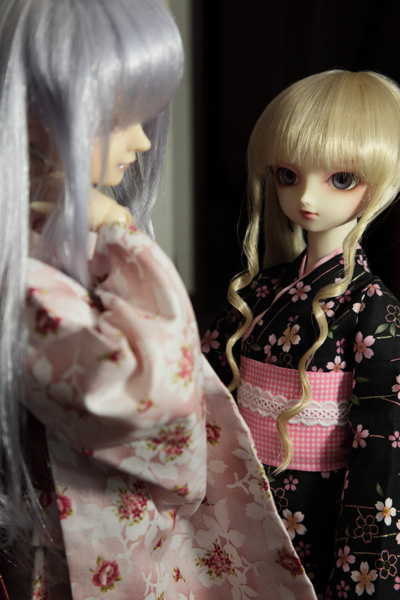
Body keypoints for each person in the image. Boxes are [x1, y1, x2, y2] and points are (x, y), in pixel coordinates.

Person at [0, 0, 318, 598]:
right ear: (38, 108)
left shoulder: (52, 236)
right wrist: (122, 236)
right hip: (81, 534)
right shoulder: (25, 269)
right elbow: (152, 390)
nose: (143, 141)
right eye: (119, 118)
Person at [204, 70, 400, 598]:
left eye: (341, 179)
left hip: (316, 513)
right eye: (288, 175)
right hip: (238, 496)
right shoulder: (263, 289)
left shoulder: (374, 311)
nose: (307, 196)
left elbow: (381, 452)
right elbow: (202, 379)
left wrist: (358, 574)